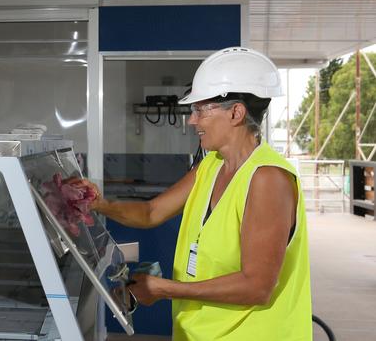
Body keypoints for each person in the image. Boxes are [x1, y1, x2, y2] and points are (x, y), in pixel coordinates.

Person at [76, 47, 312, 340]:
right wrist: (99, 204)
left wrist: (163, 289)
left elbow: (258, 287)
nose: (192, 120)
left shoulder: (267, 178)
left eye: (200, 110)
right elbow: (152, 213)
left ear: (236, 113)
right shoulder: (210, 166)